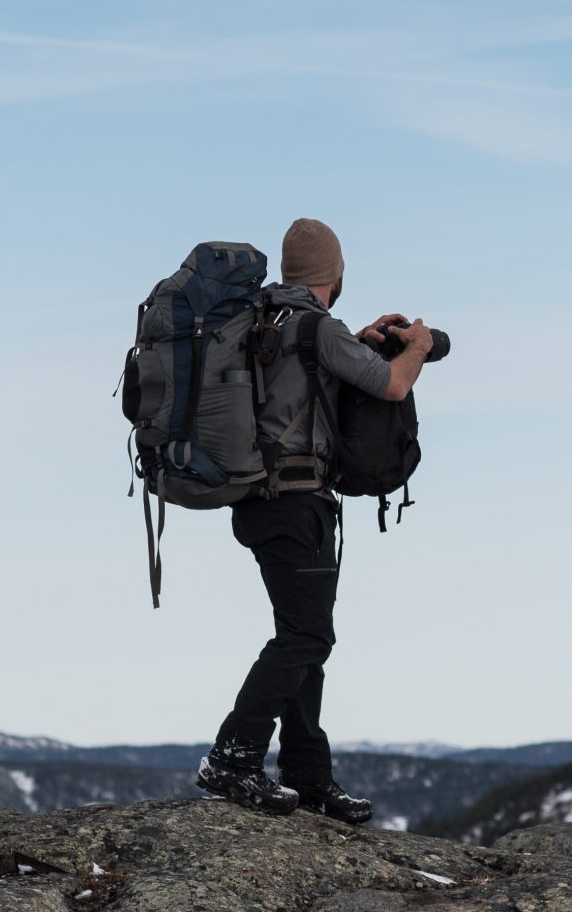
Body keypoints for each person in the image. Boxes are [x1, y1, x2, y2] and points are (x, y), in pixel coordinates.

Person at [194, 217, 435, 823]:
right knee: (306, 637)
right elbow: (392, 387)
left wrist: (356, 338)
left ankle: (306, 774)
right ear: (336, 272)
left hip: (259, 502)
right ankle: (233, 754)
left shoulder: (264, 320)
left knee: (305, 638)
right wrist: (419, 347)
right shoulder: (315, 327)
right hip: (296, 502)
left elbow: (299, 378)